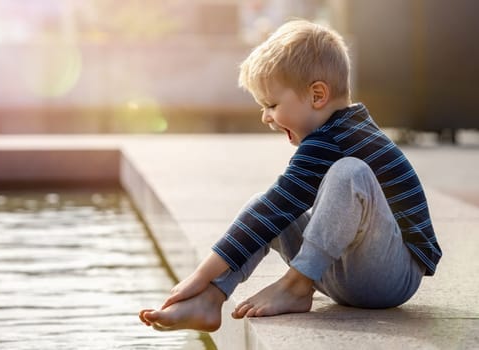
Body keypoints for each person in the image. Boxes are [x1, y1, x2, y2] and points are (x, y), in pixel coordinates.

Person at [139, 19, 442, 332]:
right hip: (345, 276)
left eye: (271, 104)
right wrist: (207, 281)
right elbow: (271, 211)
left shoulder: (340, 136)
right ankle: (212, 298)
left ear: (317, 96)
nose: (265, 117)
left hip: (392, 277)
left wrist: (198, 275)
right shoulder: (331, 133)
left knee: (349, 173)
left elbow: (276, 206)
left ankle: (296, 286)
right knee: (268, 207)